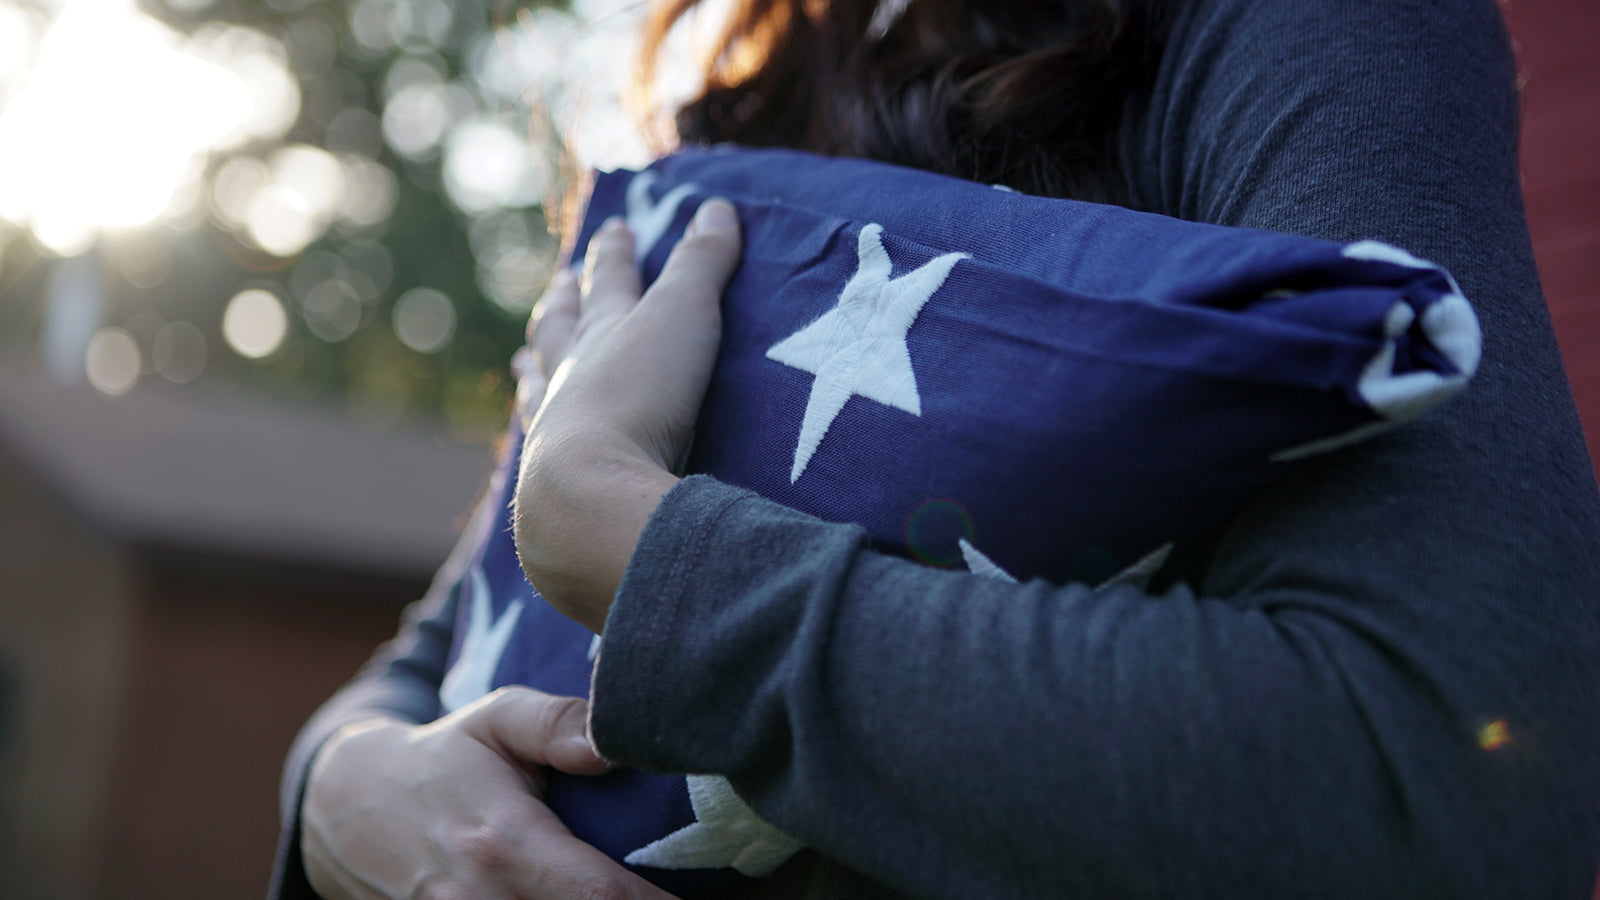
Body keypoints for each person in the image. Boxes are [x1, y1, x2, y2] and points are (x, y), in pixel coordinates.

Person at [273, 0, 1600, 897]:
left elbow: (1447, 771)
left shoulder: (1295, 34)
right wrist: (339, 800)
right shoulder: (739, 110)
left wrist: (642, 551)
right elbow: (424, 662)